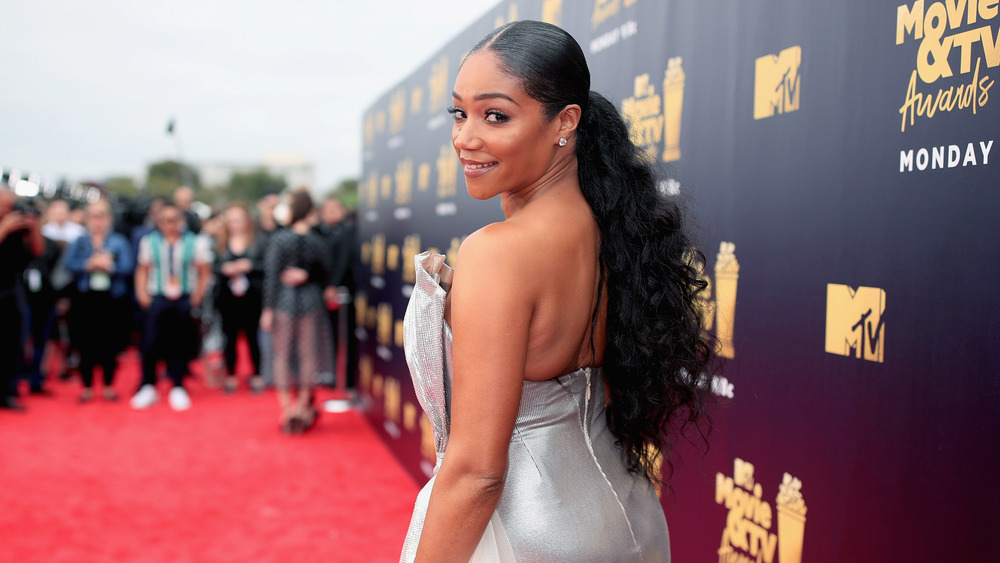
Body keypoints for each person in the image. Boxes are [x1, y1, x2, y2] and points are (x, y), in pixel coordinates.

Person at [399, 21, 714, 562]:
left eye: (495, 115)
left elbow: (476, 473)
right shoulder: (609, 230)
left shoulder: (499, 252)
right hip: (625, 519)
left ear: (565, 121)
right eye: (459, 112)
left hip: (524, 536)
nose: (465, 137)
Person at [260, 189, 335, 433]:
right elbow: (327, 274)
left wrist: (267, 308)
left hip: (284, 299)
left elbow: (271, 275)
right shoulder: (318, 240)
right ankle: (303, 406)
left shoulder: (280, 238)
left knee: (281, 354)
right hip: (311, 300)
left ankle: (287, 409)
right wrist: (308, 276)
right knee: (308, 353)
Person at [131, 203, 212, 411]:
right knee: (150, 342)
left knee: (179, 343)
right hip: (158, 296)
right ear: (159, 223)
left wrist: (197, 295)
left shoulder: (194, 242)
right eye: (165, 220)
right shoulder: (150, 242)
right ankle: (148, 385)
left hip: (183, 297)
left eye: (174, 220)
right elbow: (143, 269)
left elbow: (204, 270)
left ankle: (177, 384)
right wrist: (142, 293)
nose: (170, 224)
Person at [64, 200, 134, 402]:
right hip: (85, 299)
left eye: (101, 215)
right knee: (85, 343)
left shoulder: (118, 241)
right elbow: (69, 264)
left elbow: (127, 266)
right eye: (94, 216)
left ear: (109, 218)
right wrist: (89, 264)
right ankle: (86, 386)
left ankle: (108, 385)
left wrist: (108, 266)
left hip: (111, 299)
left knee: (110, 343)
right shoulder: (80, 240)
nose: (98, 221)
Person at [213, 202, 265, 393]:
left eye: (239, 220)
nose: (235, 224)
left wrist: (250, 265)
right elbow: (210, 266)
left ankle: (257, 374)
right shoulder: (219, 242)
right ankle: (231, 375)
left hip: (252, 297)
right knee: (229, 338)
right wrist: (224, 269)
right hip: (228, 298)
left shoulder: (258, 241)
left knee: (253, 337)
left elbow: (267, 265)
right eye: (232, 220)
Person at [0, 189, 43, 410]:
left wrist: (33, 226)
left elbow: (37, 251)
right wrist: (4, 229)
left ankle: (8, 390)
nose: (9, 211)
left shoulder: (21, 226)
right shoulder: (6, 225)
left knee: (13, 341)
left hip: (14, 287)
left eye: (12, 206)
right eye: (5, 206)